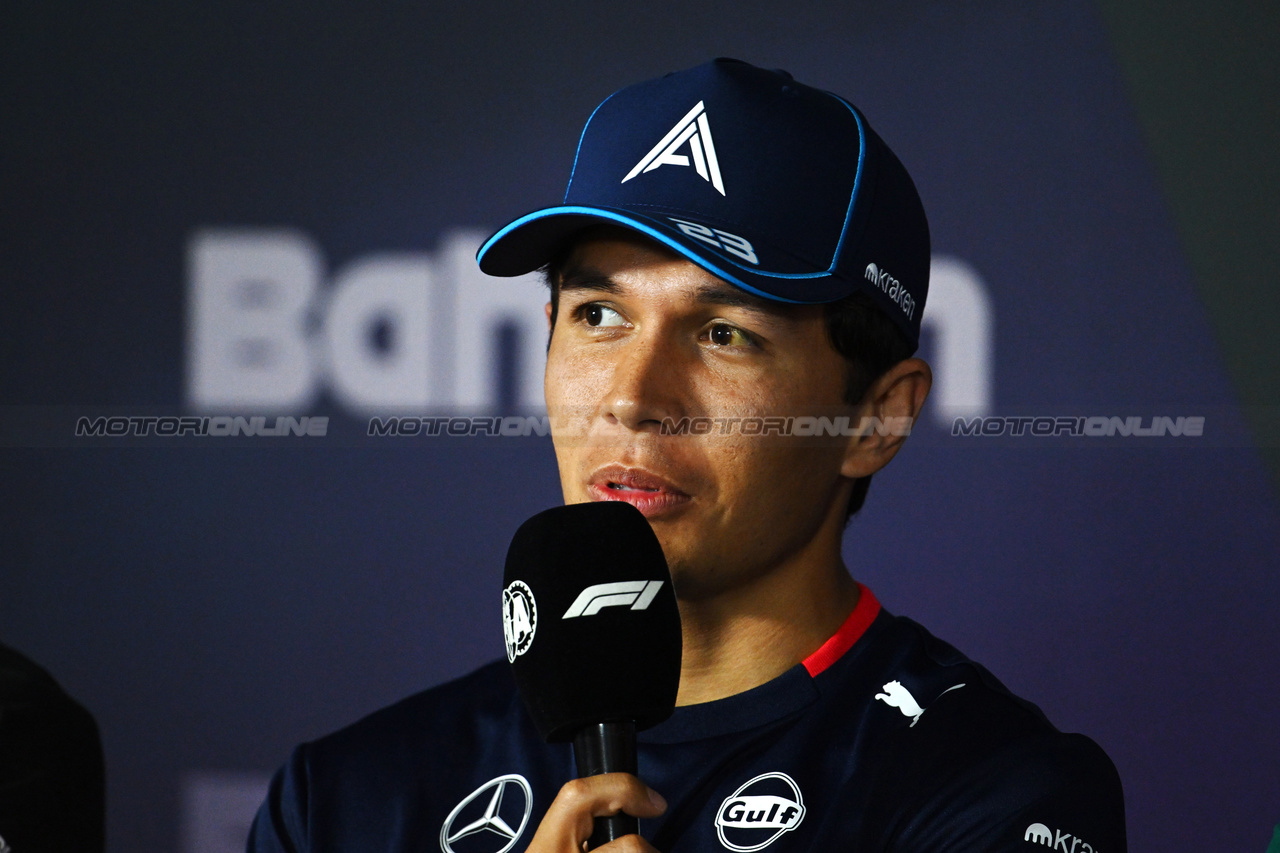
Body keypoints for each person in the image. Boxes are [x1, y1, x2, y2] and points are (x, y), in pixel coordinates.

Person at [248, 58, 1125, 852]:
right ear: (547, 335)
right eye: (599, 316)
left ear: (875, 420)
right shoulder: (343, 800)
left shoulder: (992, 799)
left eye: (722, 333)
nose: (634, 396)